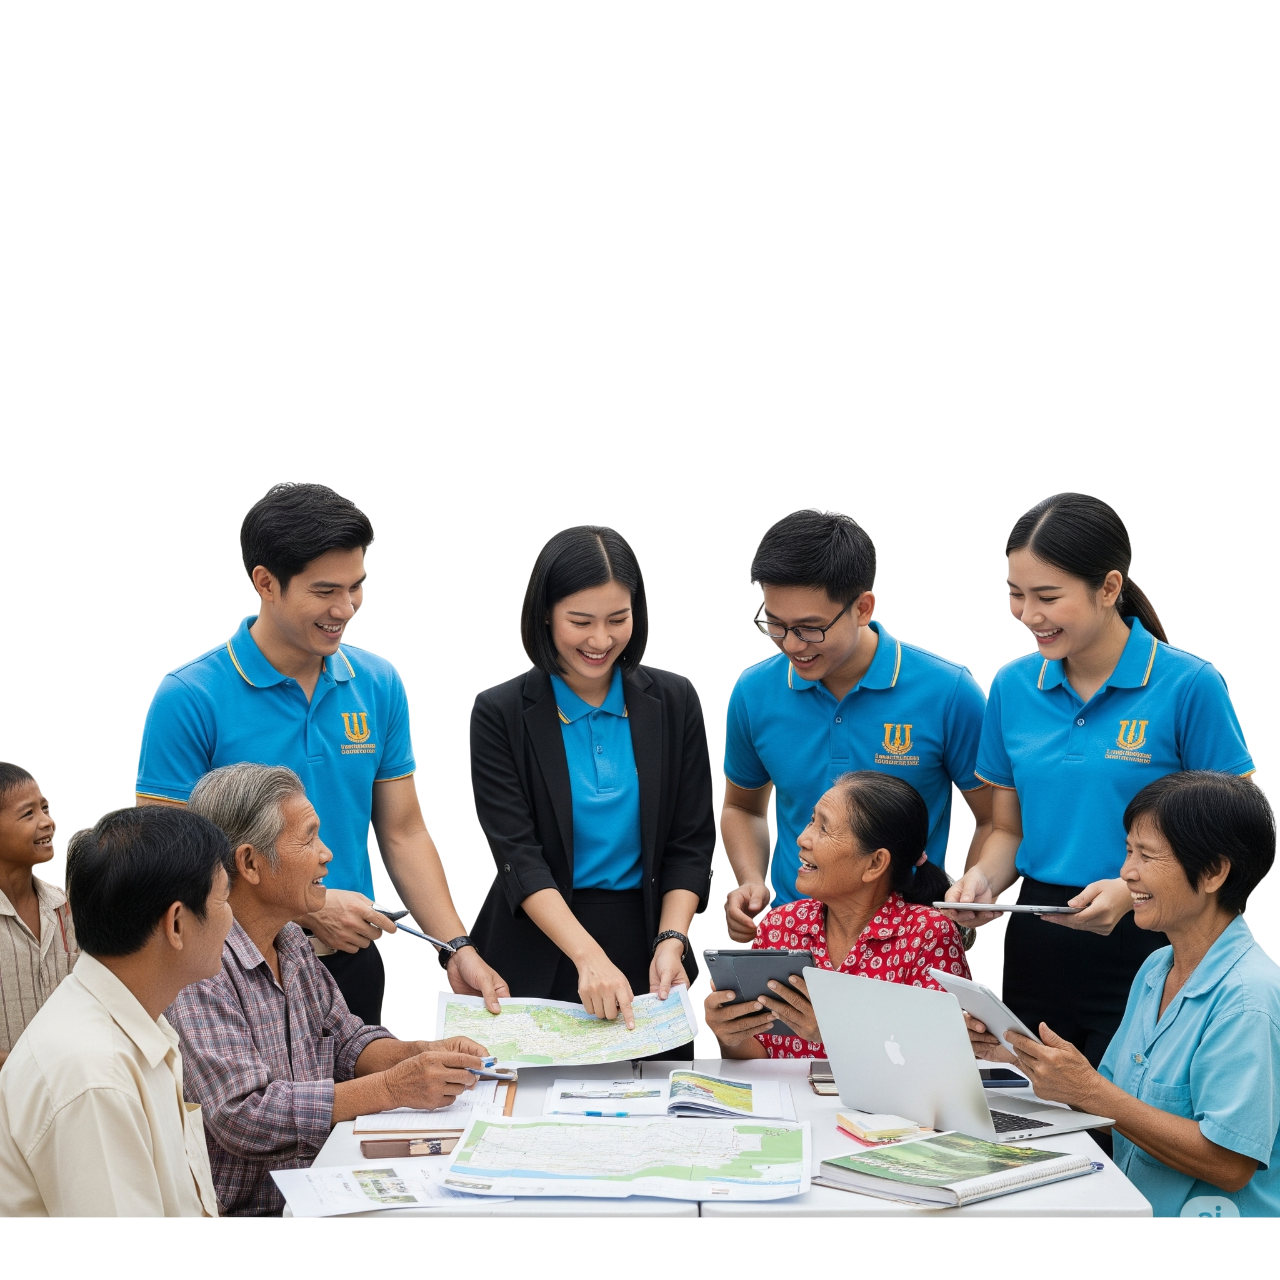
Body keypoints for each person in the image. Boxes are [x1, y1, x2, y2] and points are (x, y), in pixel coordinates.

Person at [134, 481, 508, 1023]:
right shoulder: (190, 696)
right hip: (226, 974)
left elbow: (403, 833)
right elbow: (160, 858)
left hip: (352, 965)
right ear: (265, 583)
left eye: (357, 586)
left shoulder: (379, 683)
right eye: (326, 591)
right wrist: (311, 909)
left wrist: (456, 947)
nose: (347, 608)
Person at [946, 493, 1255, 1069]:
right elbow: (1007, 830)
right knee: (1031, 1124)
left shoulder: (1189, 684)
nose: (1027, 614)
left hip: (1155, 940)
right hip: (1038, 940)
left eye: (1048, 597)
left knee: (1129, 1131)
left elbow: (1235, 832)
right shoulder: (1012, 686)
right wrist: (982, 880)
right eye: (1016, 594)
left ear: (1109, 588)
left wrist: (1132, 890)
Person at [169, 763, 491, 1217]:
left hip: (317, 1184)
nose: (327, 855)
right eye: (308, 838)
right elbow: (243, 1116)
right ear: (249, 863)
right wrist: (395, 1087)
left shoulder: (292, 942)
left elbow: (346, 1041)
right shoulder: (200, 970)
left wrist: (423, 1055)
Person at [993, 772, 1279, 1218]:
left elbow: (1229, 1164)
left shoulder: (1249, 999)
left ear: (1213, 872)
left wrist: (1090, 1091)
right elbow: (1112, 1106)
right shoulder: (1155, 968)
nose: (1126, 873)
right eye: (1129, 851)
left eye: (1146, 855)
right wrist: (1015, 1057)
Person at [468, 525, 714, 1025]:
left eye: (617, 619)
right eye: (580, 621)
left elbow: (690, 842)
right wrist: (588, 957)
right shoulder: (500, 711)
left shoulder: (674, 699)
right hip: (537, 943)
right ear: (545, 614)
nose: (601, 641)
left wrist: (672, 939)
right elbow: (519, 855)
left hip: (650, 944)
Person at [722, 509, 991, 944]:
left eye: (810, 629)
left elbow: (995, 818)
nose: (791, 644)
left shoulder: (948, 691)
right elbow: (742, 808)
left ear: (863, 608)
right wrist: (750, 880)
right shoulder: (753, 691)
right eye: (774, 623)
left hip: (908, 942)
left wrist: (964, 902)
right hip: (793, 936)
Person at [0, 807, 228, 1217]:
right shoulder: (94, 1077)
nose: (232, 919)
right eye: (225, 898)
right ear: (176, 923)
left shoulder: (132, 1019)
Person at [705, 771, 969, 1058]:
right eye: (811, 820)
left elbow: (943, 1063)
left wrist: (834, 1031)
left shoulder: (927, 934)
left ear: (875, 863)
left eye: (824, 829)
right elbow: (760, 1060)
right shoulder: (780, 925)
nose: (802, 839)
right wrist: (731, 1035)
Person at [0, 762, 78, 1069]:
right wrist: (29, 1071)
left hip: (63, 1093)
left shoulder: (64, 906)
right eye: (28, 813)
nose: (48, 822)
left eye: (45, 808)